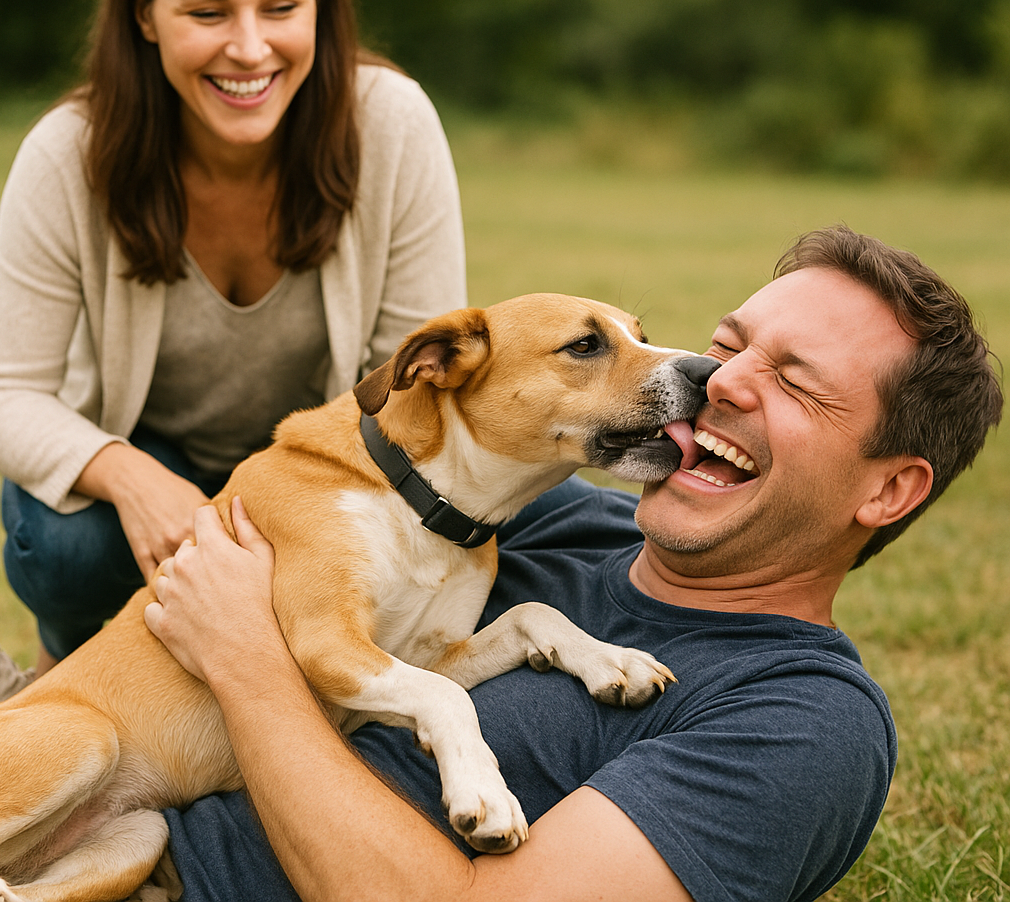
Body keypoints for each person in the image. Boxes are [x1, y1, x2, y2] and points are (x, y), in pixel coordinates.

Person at [139, 226, 1002, 902]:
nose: (720, 381)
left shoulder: (800, 718)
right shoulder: (537, 509)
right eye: (727, 345)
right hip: (117, 801)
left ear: (890, 490)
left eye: (796, 382)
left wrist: (245, 659)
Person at [0, 0, 466, 679]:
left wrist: (292, 506)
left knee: (541, 504)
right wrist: (131, 476)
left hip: (324, 454)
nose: (249, 48)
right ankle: (72, 674)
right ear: (144, 13)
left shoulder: (392, 122)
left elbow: (414, 384)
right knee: (65, 540)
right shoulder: (68, 152)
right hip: (155, 450)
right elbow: (2, 389)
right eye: (207, 13)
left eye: (281, 7)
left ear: (319, 2)